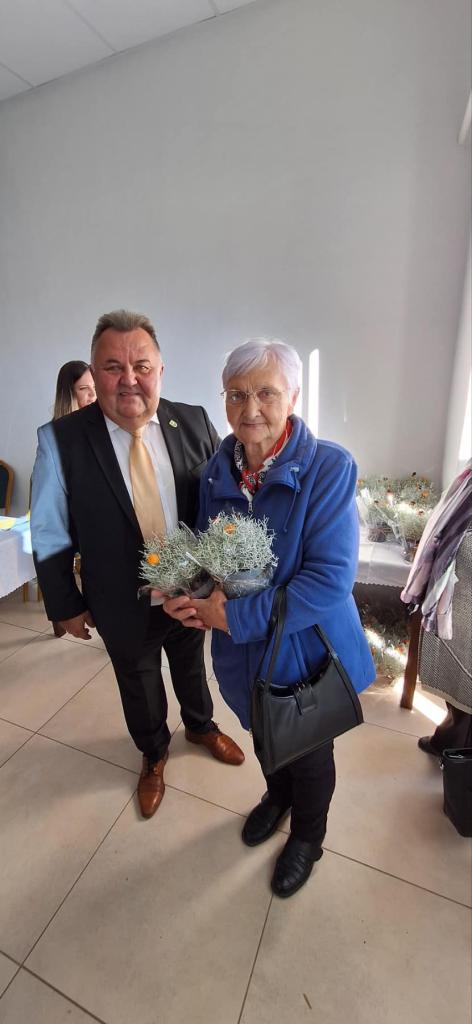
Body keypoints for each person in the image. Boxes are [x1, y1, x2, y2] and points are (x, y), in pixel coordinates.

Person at [161, 338, 375, 898]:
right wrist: (190, 593)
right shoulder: (216, 470)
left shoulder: (329, 467)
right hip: (242, 652)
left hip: (306, 652)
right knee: (262, 732)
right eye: (236, 394)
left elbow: (328, 583)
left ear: (293, 397)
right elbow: (209, 553)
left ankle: (308, 836)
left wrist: (233, 617)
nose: (250, 408)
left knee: (309, 750)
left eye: (266, 393)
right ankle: (277, 796)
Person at [31, 310, 244, 820]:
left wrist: (225, 580)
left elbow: (224, 504)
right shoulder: (61, 440)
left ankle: (201, 726)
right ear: (94, 372)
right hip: (120, 599)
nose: (129, 379)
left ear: (160, 370)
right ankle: (153, 753)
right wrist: (66, 605)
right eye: (112, 367)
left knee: (191, 667)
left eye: (141, 366)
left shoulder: (192, 421)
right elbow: (50, 531)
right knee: (139, 681)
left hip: (190, 591)